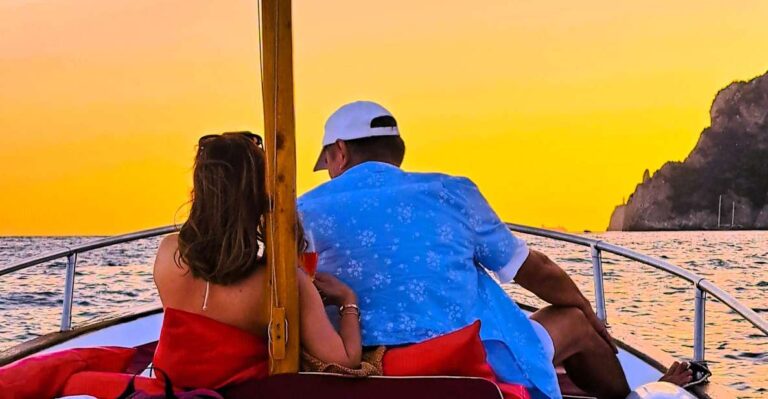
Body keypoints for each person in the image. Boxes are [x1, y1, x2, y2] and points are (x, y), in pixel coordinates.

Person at [297, 101, 692, 399]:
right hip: (461, 361)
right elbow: (534, 270)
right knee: (571, 321)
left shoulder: (303, 209)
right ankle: (631, 396)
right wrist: (590, 314)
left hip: (356, 368)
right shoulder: (451, 192)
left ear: (340, 152)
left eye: (328, 160)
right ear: (396, 151)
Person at [152, 132, 362, 390]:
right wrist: (348, 301)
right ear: (261, 196)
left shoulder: (168, 253)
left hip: (173, 387)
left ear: (200, 190)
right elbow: (345, 361)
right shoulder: (281, 281)